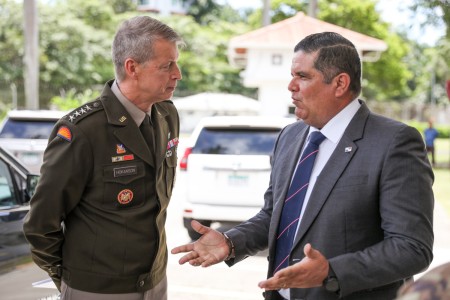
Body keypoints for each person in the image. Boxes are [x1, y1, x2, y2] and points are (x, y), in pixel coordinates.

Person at [171, 32, 434, 300]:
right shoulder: (290, 136)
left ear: (340, 83)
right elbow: (274, 215)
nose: (291, 86)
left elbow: (412, 248)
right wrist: (231, 241)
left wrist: (331, 271)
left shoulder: (394, 142)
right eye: (292, 75)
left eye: (303, 76)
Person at [23, 15, 183, 300]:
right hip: (96, 289)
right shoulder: (82, 130)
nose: (177, 74)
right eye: (167, 65)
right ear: (132, 67)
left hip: (155, 281)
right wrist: (73, 282)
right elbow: (40, 224)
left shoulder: (167, 115)